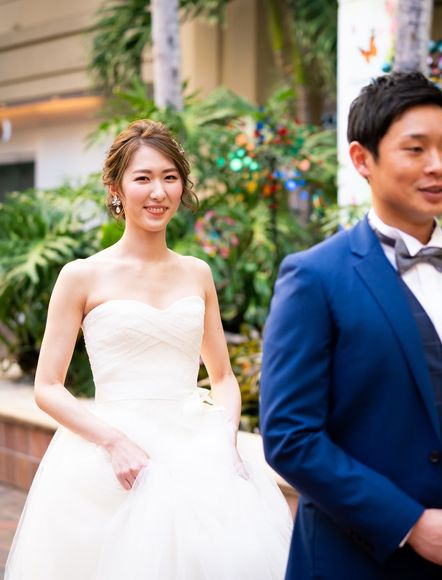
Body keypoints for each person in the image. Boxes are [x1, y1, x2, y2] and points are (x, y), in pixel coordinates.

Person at [260, 72, 442, 579]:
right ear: (362, 159)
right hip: (355, 562)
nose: (437, 165)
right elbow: (289, 436)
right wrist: (409, 523)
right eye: (415, 149)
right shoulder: (315, 277)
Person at [6, 119, 292, 580]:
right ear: (116, 188)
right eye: (143, 178)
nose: (158, 192)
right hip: (110, 455)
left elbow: (221, 376)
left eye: (170, 177)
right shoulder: (81, 276)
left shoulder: (197, 273)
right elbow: (48, 387)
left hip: (198, 449)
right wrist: (114, 443)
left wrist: (225, 440)